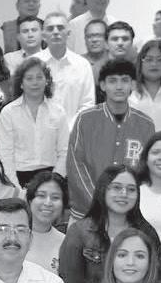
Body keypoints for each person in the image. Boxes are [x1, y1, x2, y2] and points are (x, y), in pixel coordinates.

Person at [65, 59, 156, 222]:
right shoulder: (85, 119)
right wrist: (98, 203)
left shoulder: (146, 125)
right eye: (112, 81)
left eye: (125, 80)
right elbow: (75, 166)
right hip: (86, 215)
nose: (119, 86)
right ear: (102, 85)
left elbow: (146, 171)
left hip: (128, 218)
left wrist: (125, 204)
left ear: (133, 85)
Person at [58, 163, 156, 283]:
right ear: (103, 190)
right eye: (116, 187)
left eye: (131, 189)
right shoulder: (79, 232)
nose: (124, 194)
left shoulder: (147, 233)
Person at [0, 171, 68, 270]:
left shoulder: (65, 242)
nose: (48, 203)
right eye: (41, 196)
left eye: (55, 198)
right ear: (30, 200)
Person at [0, 58, 68, 188]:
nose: (35, 83)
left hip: (53, 176)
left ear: (47, 81)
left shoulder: (58, 112)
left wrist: (54, 182)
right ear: (21, 84)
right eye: (29, 78)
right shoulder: (8, 113)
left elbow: (64, 152)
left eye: (39, 77)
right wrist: (16, 188)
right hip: (19, 177)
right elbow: (5, 155)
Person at [33, 12, 95, 122]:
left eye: (60, 28)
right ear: (43, 35)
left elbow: (87, 104)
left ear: (68, 33)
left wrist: (70, 128)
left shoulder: (82, 65)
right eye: (50, 28)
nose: (56, 32)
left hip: (74, 129)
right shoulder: (32, 63)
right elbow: (27, 101)